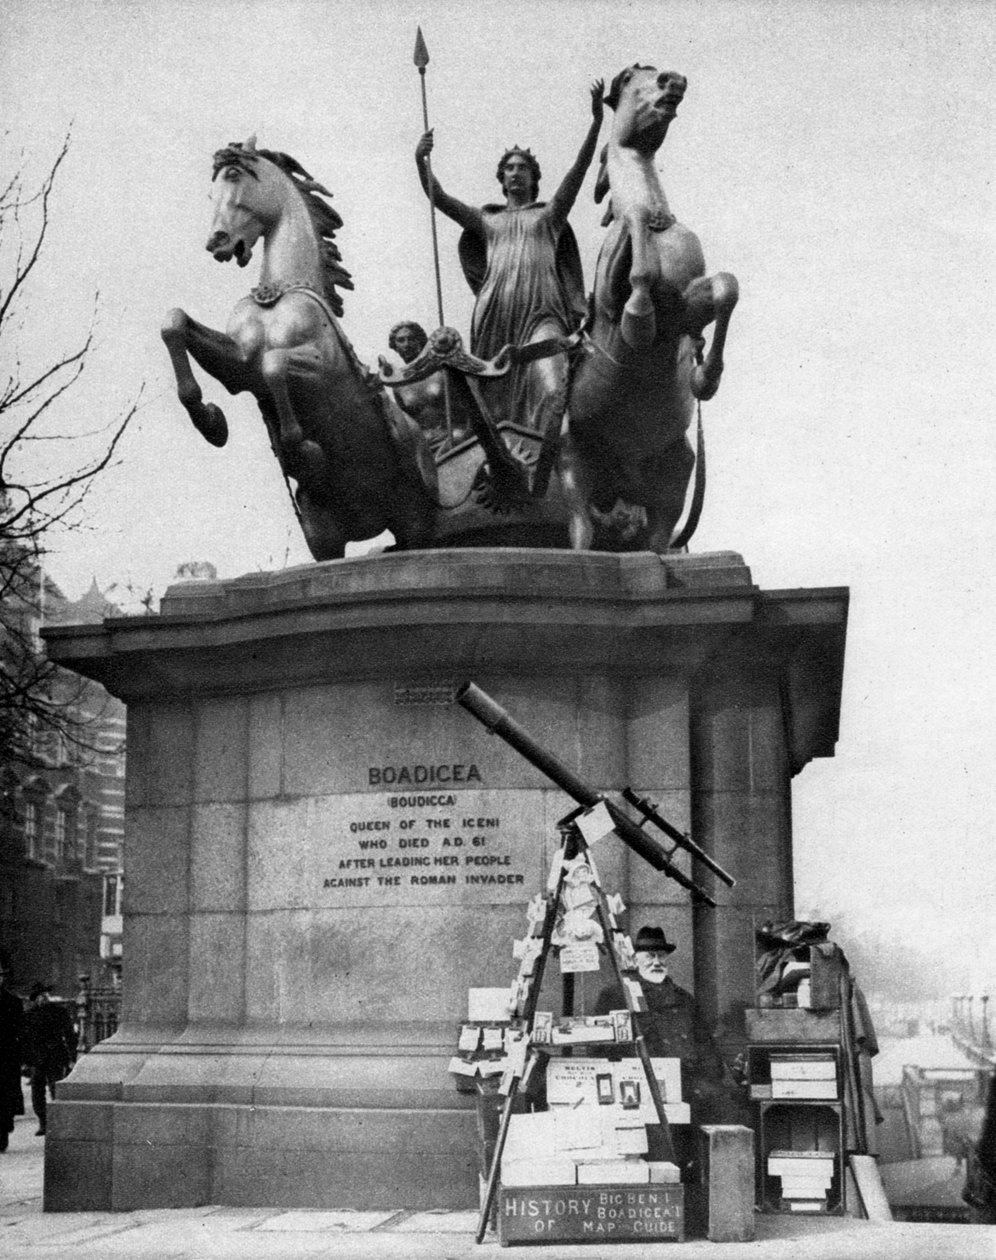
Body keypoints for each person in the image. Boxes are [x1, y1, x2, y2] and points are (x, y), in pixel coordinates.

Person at [414, 81, 603, 442]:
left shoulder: (549, 216)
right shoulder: (487, 220)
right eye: (509, 169)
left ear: (534, 177)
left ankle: (554, 460)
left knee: (552, 387)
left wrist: (595, 123)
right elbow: (439, 197)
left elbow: (577, 173)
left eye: (522, 168)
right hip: (495, 318)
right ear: (501, 179)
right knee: (494, 409)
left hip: (542, 312)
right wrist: (420, 160)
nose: (515, 172)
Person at [595, 925, 736, 1162]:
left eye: (661, 955)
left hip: (688, 1085)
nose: (656, 961)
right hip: (637, 1085)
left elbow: (705, 1046)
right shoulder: (617, 996)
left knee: (720, 1119)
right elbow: (602, 1051)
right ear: (634, 958)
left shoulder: (683, 998)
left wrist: (707, 1078)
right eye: (649, 956)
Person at [386, 320, 466, 449]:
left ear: (420, 341)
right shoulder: (398, 385)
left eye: (411, 339)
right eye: (401, 340)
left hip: (455, 438)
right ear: (395, 346)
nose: (406, 344)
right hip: (426, 447)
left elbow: (467, 407)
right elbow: (409, 424)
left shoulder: (441, 370)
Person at [22, 983, 76, 1137]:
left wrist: (72, 1056)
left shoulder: (59, 1012)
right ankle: (43, 1123)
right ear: (35, 999)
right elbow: (24, 1040)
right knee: (37, 1092)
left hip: (56, 1056)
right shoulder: (29, 1015)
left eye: (45, 994)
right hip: (37, 1058)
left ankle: (58, 1123)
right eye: (39, 995)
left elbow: (70, 1035)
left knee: (55, 1089)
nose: (43, 998)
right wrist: (25, 1061)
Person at [0, 963, 24, 1151]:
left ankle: (3, 1133)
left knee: (5, 1097)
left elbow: (21, 1032)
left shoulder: (13, 1002)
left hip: (6, 1057)